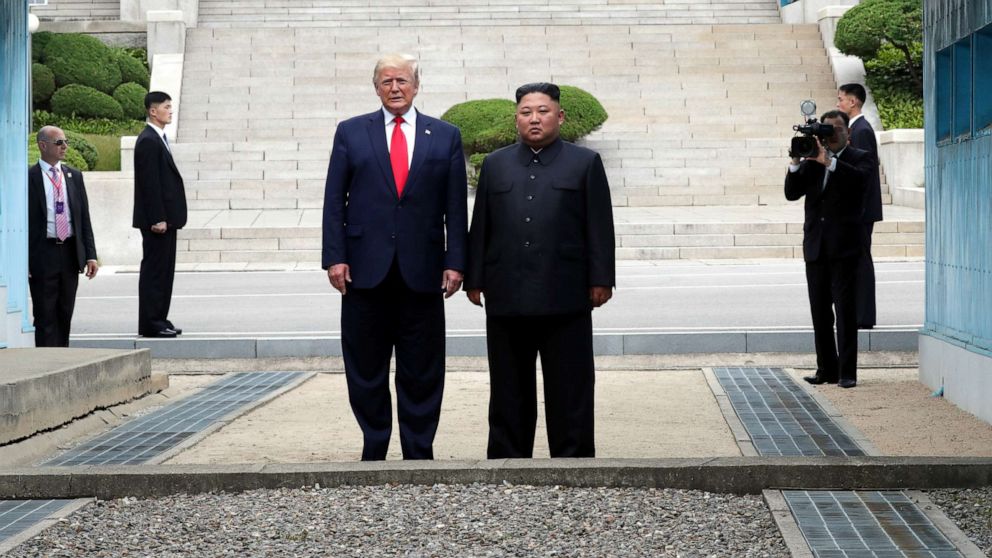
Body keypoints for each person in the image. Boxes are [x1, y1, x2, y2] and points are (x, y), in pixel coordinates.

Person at [322, 53, 468, 461]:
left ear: (417, 85)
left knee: (422, 368)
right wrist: (335, 256)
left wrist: (455, 261)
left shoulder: (444, 136)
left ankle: (419, 451)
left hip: (423, 272)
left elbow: (456, 207)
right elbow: (334, 200)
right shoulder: (351, 132)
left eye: (402, 80)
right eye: (386, 82)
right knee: (365, 367)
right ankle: (374, 444)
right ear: (376, 87)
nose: (395, 88)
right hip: (363, 271)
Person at [465, 82, 616, 458]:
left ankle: (574, 459)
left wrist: (601, 278)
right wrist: (475, 278)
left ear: (560, 117)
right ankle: (508, 458)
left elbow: (599, 225)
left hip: (566, 293)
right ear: (516, 118)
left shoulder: (584, 163)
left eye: (543, 111)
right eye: (526, 112)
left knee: (571, 384)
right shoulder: (496, 164)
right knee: (508, 385)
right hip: (506, 293)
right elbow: (481, 224)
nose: (535, 119)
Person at [785, 110, 874, 389]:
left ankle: (847, 372)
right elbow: (791, 193)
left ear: (847, 132)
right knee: (820, 312)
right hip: (816, 247)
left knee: (846, 312)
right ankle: (826, 368)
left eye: (836, 129)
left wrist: (831, 162)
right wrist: (796, 162)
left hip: (844, 248)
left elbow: (860, 183)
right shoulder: (812, 160)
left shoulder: (860, 158)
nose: (831, 134)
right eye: (826, 129)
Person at [27, 126, 99, 347]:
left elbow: (83, 218)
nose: (65, 147)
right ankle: (45, 361)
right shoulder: (29, 177)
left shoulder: (73, 176)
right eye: (59, 143)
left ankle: (62, 358)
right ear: (43, 145)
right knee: (45, 313)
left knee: (64, 311)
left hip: (69, 251)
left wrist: (90, 255)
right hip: (43, 252)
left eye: (65, 142)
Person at [133, 91, 187, 338]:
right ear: (153, 111)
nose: (170, 111)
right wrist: (157, 218)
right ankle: (151, 322)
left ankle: (160, 318)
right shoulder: (148, 140)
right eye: (166, 107)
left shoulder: (159, 138)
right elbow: (149, 183)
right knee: (155, 271)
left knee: (165, 272)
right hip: (158, 221)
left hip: (168, 219)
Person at [837, 83, 882, 329]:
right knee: (857, 260)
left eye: (841, 99)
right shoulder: (856, 128)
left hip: (861, 210)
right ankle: (857, 313)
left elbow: (863, 173)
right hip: (860, 209)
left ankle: (863, 316)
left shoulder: (862, 130)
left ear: (853, 102)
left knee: (861, 261)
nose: (838, 103)